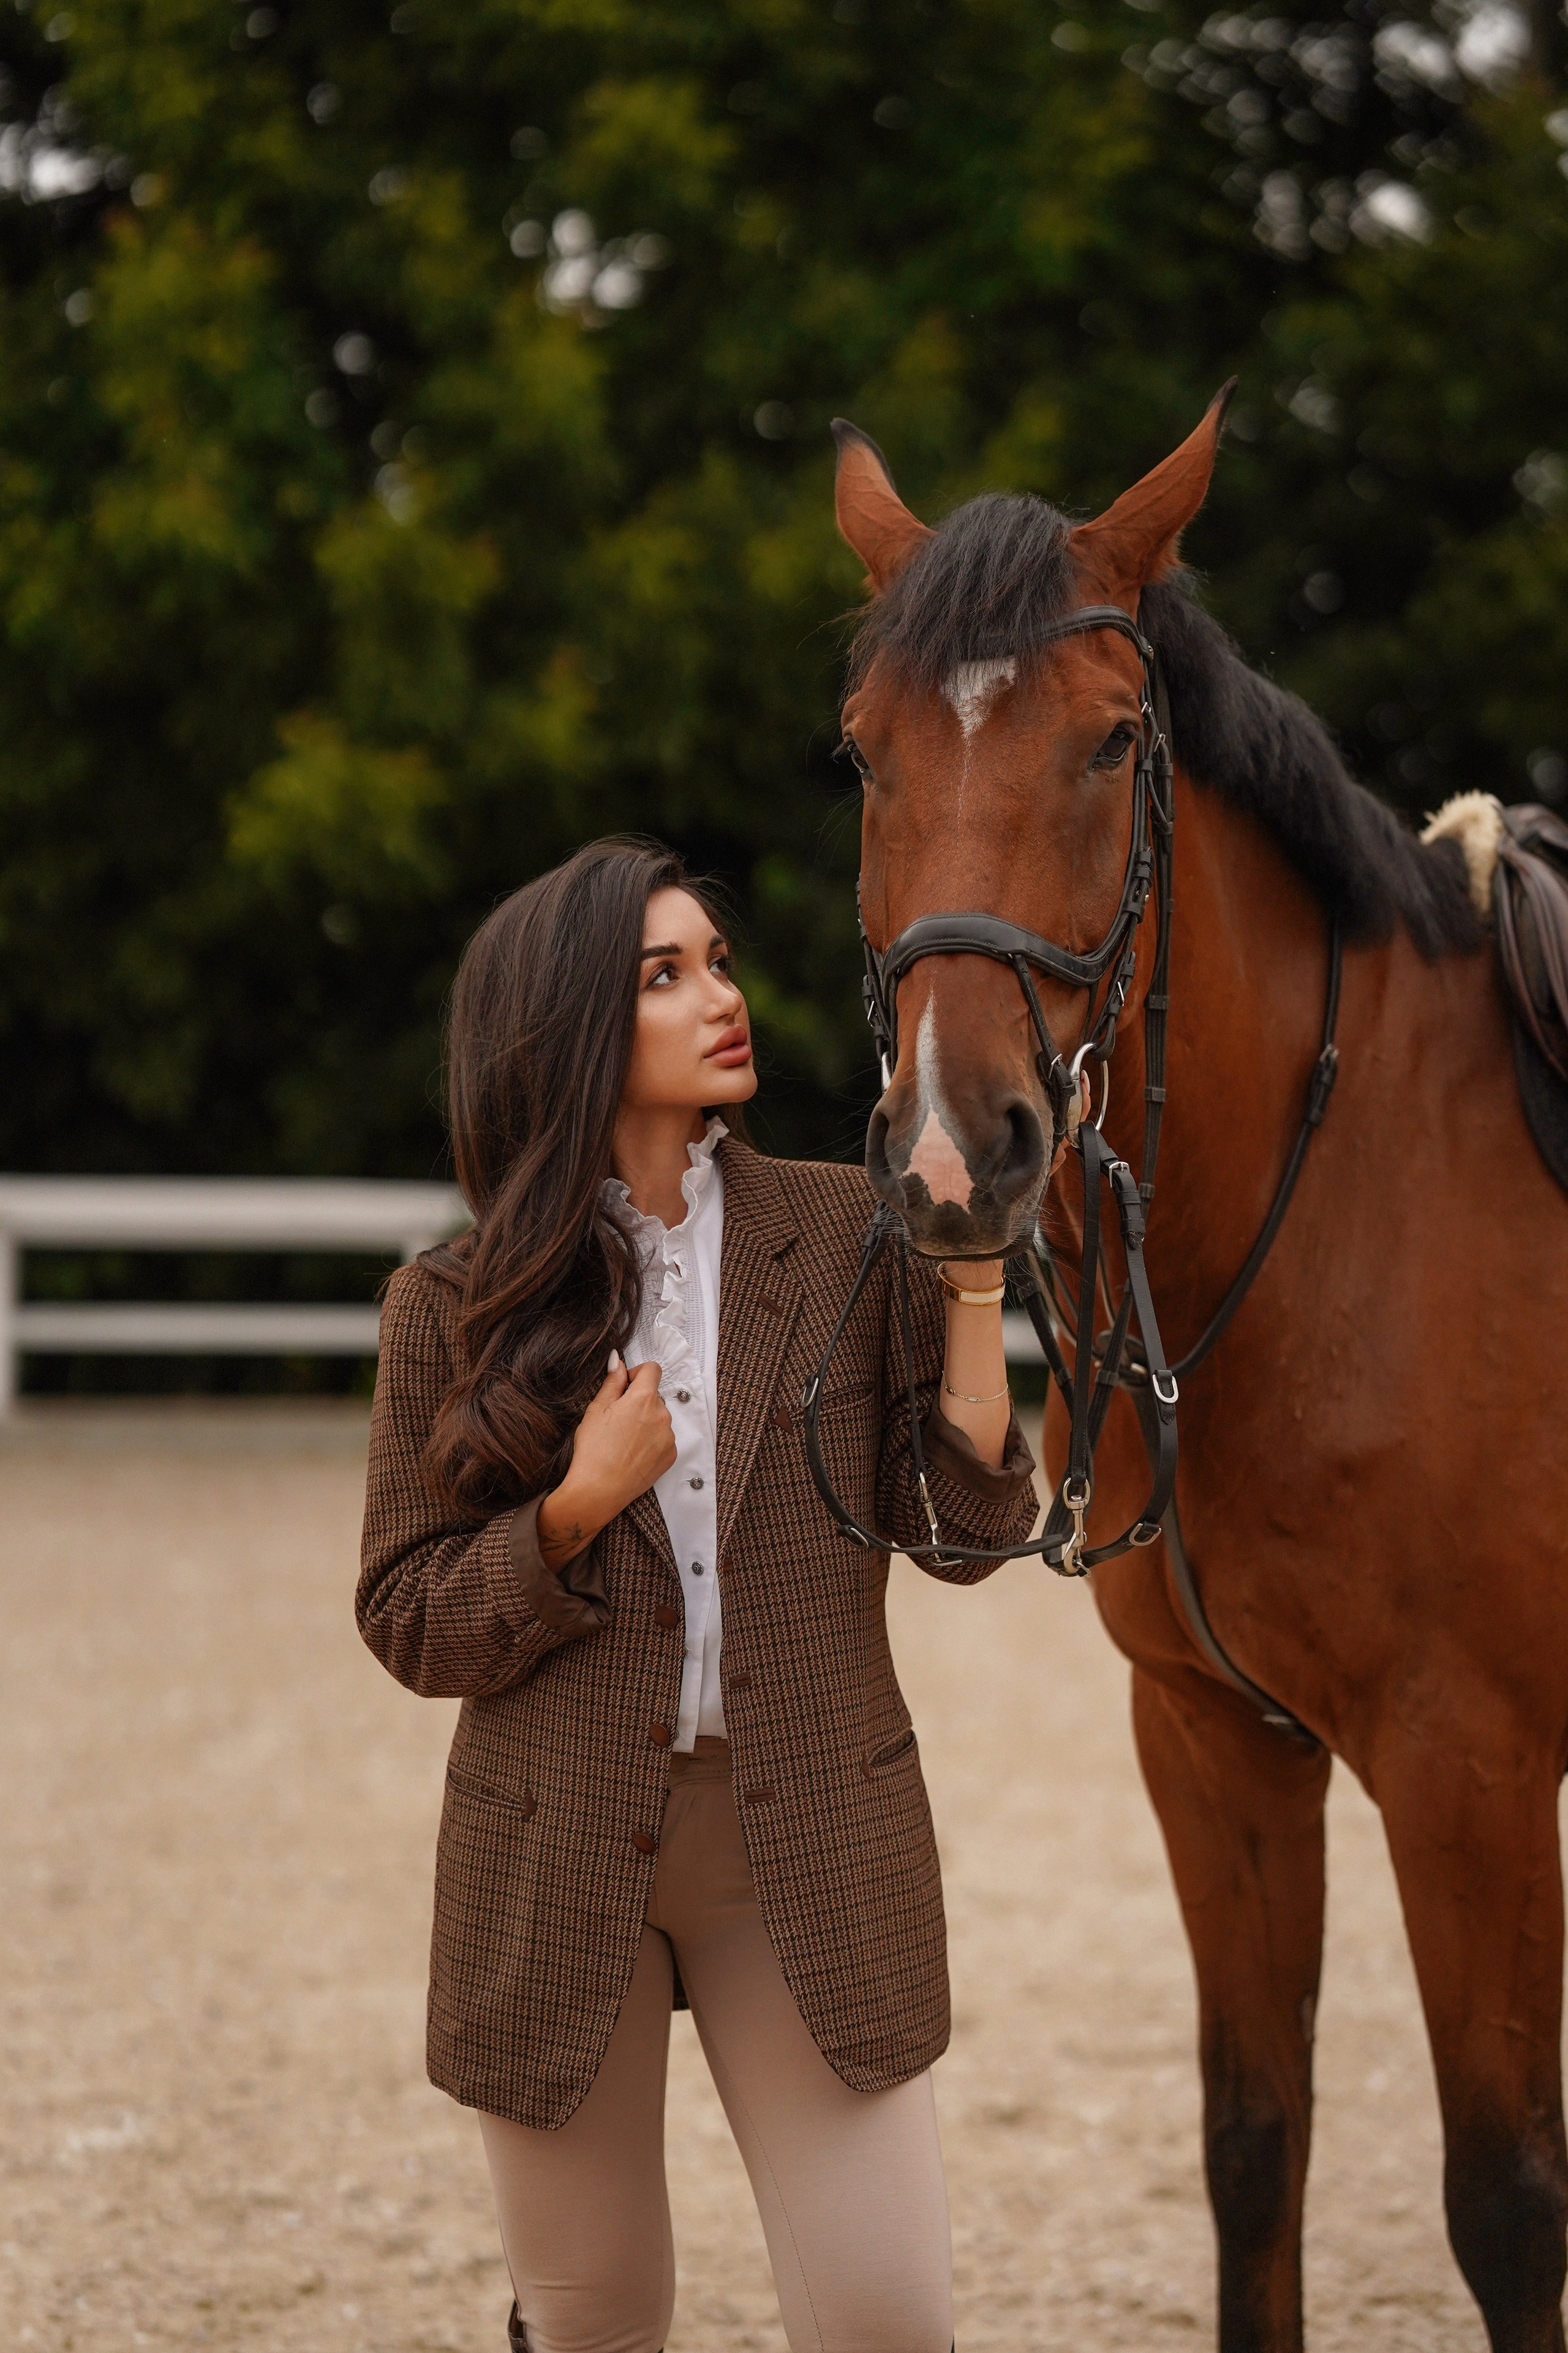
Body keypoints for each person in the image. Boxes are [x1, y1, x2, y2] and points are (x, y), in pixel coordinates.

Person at [356, 837, 1038, 2353]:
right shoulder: (451, 1304)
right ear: (570, 1025)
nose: (718, 996)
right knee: (598, 2324)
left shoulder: (848, 1238)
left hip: (799, 1837)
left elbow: (968, 1529)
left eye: (715, 963)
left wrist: (974, 1289)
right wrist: (576, 1507)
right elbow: (408, 1613)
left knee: (885, 2320)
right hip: (555, 1845)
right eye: (663, 975)